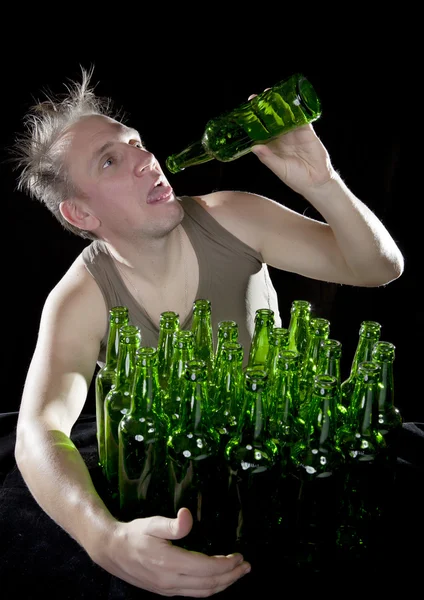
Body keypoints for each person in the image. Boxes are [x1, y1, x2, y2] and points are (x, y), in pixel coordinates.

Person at [11, 66, 404, 597]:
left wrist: (323, 184)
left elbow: (378, 267)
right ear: (80, 212)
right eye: (111, 160)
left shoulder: (234, 215)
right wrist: (104, 539)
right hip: (183, 493)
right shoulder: (79, 298)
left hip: (274, 465)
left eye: (136, 143)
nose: (145, 160)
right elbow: (38, 430)